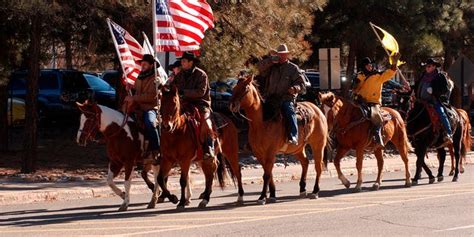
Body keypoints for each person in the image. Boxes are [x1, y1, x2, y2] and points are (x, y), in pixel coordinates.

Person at [257, 44, 306, 145]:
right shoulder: (271, 67)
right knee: (257, 112)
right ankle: (256, 137)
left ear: (287, 55)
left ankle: (293, 135)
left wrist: (295, 88)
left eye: (283, 54)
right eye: (279, 54)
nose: (281, 56)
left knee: (289, 110)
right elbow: (259, 68)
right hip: (270, 98)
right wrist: (270, 60)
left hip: (285, 98)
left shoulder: (293, 68)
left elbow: (302, 84)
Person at [170, 52, 215, 160]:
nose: (182, 62)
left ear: (191, 62)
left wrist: (182, 92)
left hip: (200, 104)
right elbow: (173, 88)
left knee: (206, 122)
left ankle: (209, 148)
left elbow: (200, 92)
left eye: (184, 61)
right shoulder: (179, 75)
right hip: (183, 104)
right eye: (182, 61)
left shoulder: (201, 75)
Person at [352, 53, 401, 147]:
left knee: (375, 116)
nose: (370, 66)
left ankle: (377, 134)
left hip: (373, 103)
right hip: (360, 101)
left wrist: (394, 63)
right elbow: (355, 89)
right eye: (367, 65)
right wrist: (355, 84)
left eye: (370, 64)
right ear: (363, 67)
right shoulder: (359, 76)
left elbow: (390, 73)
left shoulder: (378, 75)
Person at [124, 54, 161, 164]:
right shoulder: (140, 76)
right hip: (137, 107)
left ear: (151, 65)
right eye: (142, 63)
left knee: (150, 122)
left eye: (145, 63)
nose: (142, 65)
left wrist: (133, 98)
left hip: (150, 107)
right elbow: (136, 89)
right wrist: (130, 87)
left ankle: (156, 149)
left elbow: (151, 96)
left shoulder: (156, 79)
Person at [415, 58, 453, 143]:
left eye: (429, 66)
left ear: (434, 67)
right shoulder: (423, 75)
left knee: (441, 113)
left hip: (434, 101)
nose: (427, 68)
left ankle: (448, 133)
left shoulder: (440, 76)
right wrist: (409, 87)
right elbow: (416, 86)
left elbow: (445, 89)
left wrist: (434, 91)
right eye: (426, 66)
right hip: (420, 101)